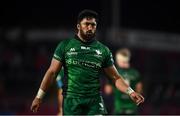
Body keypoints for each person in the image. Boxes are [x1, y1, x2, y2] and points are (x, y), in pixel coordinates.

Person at [30, 9, 144, 115]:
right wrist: (39, 97)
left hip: (94, 101)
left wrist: (131, 92)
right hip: (72, 101)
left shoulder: (103, 50)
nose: (90, 28)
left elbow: (115, 77)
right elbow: (52, 73)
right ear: (78, 26)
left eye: (93, 25)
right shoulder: (65, 46)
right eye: (86, 24)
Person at [104, 48, 143, 114]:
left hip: (119, 109)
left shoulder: (115, 73)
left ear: (119, 60)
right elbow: (139, 90)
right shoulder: (135, 73)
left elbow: (108, 91)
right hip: (132, 109)